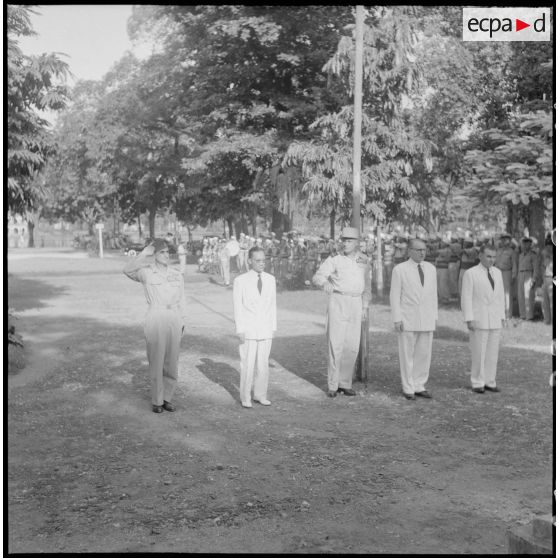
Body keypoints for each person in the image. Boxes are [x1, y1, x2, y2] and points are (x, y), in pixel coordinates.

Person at [123, 238, 187, 413]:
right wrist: (144, 252)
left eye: (168, 252)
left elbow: (182, 299)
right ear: (154, 254)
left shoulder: (176, 274)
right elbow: (127, 269)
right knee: (156, 359)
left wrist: (182, 320)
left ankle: (168, 397)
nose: (166, 255)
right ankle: (157, 400)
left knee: (172, 361)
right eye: (162, 252)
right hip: (156, 314)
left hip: (173, 315)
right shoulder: (146, 273)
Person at [312, 227, 371, 397]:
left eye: (350, 240)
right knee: (335, 343)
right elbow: (318, 276)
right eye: (344, 240)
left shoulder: (364, 260)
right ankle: (332, 384)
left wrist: (365, 306)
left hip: (356, 302)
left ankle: (345, 383)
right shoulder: (335, 259)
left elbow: (367, 286)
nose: (346, 243)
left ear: (357, 243)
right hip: (338, 300)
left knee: (352, 345)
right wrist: (325, 283)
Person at [390, 238, 438, 400]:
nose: (422, 253)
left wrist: (434, 316)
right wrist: (397, 318)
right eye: (418, 250)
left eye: (424, 249)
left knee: (423, 354)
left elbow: (433, 295)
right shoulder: (400, 269)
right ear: (409, 251)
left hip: (426, 317)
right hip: (407, 317)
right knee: (407, 354)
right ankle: (408, 387)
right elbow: (395, 296)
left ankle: (419, 385)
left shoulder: (431, 269)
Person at [233, 246, 277, 408]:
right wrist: (240, 329)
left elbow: (272, 305)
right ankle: (245, 397)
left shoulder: (270, 279)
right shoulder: (241, 280)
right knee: (248, 365)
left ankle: (260, 394)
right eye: (257, 260)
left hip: (265, 328)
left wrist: (273, 327)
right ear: (249, 261)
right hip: (249, 329)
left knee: (263, 364)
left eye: (263, 260)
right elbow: (238, 307)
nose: (261, 263)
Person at [461, 244, 506, 393]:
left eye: (494, 257)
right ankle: (478, 382)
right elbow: (466, 297)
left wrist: (502, 316)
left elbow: (500, 296)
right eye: (488, 256)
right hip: (478, 318)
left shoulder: (498, 273)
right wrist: (469, 318)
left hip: (494, 318)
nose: (491, 260)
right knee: (479, 352)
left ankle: (490, 381)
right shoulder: (471, 273)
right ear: (480, 256)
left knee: (493, 353)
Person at [495, 233, 518, 319]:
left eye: (506, 239)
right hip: (498, 272)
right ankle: (500, 313)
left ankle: (508, 314)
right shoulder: (499, 250)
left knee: (507, 294)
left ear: (509, 240)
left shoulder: (511, 251)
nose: (504, 241)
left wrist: (513, 275)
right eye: (503, 239)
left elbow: (514, 264)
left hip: (507, 272)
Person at [517, 237, 538, 320]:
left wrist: (534, 279)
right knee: (521, 295)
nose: (525, 245)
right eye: (524, 243)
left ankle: (529, 316)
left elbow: (536, 268)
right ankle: (522, 315)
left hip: (529, 274)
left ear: (530, 244)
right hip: (521, 274)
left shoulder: (533, 255)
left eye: (527, 243)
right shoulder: (520, 255)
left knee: (528, 296)